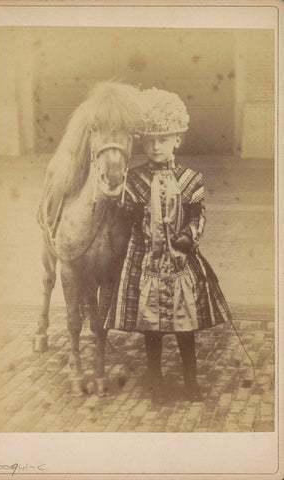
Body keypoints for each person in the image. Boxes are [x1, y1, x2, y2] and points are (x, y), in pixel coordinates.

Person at [103, 87, 231, 402]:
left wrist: (189, 236)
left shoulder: (190, 179)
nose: (155, 146)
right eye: (148, 140)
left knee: (185, 325)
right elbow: (121, 216)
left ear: (177, 140)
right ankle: (156, 383)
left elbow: (198, 215)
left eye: (163, 139)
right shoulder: (133, 181)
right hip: (145, 264)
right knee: (152, 328)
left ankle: (191, 381)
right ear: (141, 142)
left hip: (180, 263)